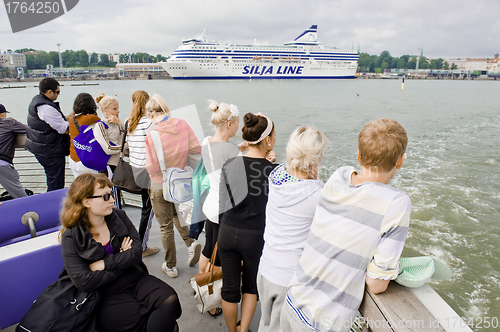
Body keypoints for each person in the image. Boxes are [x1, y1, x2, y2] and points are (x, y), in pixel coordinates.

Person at [281, 118, 412, 332]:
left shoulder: (339, 177)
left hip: (292, 303)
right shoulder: (397, 203)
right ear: (400, 161)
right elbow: (377, 285)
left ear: (359, 156)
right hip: (322, 324)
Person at [60, 173, 181, 332]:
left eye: (111, 194)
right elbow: (84, 281)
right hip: (104, 293)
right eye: (105, 197)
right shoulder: (71, 236)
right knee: (166, 325)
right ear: (86, 201)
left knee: (169, 299)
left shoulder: (119, 216)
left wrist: (105, 263)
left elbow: (136, 252)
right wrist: (123, 258)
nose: (112, 200)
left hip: (134, 278)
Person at [257, 126, 328, 332]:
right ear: (317, 158)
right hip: (287, 277)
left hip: (266, 268)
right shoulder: (317, 194)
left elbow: (298, 185)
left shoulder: (276, 176)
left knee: (266, 322)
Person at [218, 112, 277, 332]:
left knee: (229, 289)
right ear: (268, 140)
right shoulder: (273, 171)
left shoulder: (230, 164)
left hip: (227, 230)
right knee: (250, 287)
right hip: (254, 236)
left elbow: (222, 203)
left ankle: (232, 331)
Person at [145, 94, 202, 278]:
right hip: (180, 181)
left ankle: (171, 266)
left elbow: (151, 166)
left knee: (165, 226)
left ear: (151, 113)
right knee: (179, 216)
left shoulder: (152, 134)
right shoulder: (183, 124)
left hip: (159, 183)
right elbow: (196, 149)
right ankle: (191, 243)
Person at [198, 100, 241, 316]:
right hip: (224, 209)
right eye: (237, 123)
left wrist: (237, 149)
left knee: (208, 248)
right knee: (220, 257)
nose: (239, 127)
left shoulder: (207, 142)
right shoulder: (231, 150)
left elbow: (219, 154)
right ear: (230, 123)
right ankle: (211, 298)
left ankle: (201, 286)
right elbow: (239, 187)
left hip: (210, 206)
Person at [126, 90, 158, 258]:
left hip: (136, 169)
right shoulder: (148, 123)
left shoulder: (129, 121)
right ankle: (142, 246)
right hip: (147, 171)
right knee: (149, 209)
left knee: (148, 207)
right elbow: (156, 146)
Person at [25, 77, 70, 191]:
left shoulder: (37, 101)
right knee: (56, 185)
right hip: (51, 151)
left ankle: (50, 205)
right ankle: (52, 206)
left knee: (52, 181)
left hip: (42, 148)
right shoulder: (46, 107)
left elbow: (53, 122)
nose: (58, 95)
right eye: (57, 92)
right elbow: (64, 129)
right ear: (50, 91)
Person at [95, 93, 123, 207]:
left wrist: (119, 122)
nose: (118, 111)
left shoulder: (116, 124)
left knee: (118, 191)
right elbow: (108, 148)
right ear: (105, 111)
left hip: (118, 163)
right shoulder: (101, 126)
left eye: (118, 108)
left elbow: (129, 131)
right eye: (114, 108)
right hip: (109, 164)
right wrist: (124, 148)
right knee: (113, 193)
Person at [67, 93, 101, 177]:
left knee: (82, 187)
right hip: (86, 161)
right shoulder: (92, 118)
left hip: (73, 159)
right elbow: (105, 129)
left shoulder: (72, 120)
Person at [0, 104, 28, 198]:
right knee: (21, 197)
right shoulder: (8, 122)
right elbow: (28, 129)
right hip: (2, 164)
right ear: (2, 114)